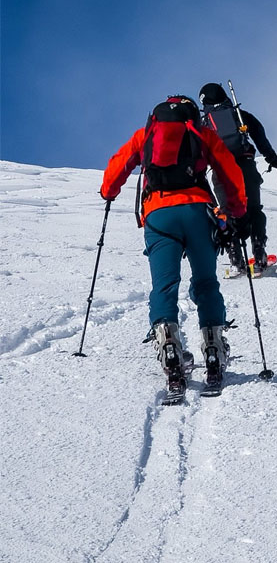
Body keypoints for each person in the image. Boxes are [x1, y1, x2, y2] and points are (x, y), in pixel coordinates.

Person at [100, 95, 247, 398]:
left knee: (164, 285)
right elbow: (228, 170)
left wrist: (108, 191)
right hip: (197, 212)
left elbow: (117, 168)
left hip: (159, 214)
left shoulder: (146, 135)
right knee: (206, 282)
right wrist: (236, 211)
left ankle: (169, 346)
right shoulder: (203, 134)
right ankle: (213, 350)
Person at [198, 82, 277, 272]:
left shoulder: (205, 124)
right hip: (246, 165)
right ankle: (259, 248)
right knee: (254, 209)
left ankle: (235, 254)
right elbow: (259, 137)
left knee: (228, 212)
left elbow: (199, 153)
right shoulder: (239, 115)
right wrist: (274, 160)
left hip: (222, 172)